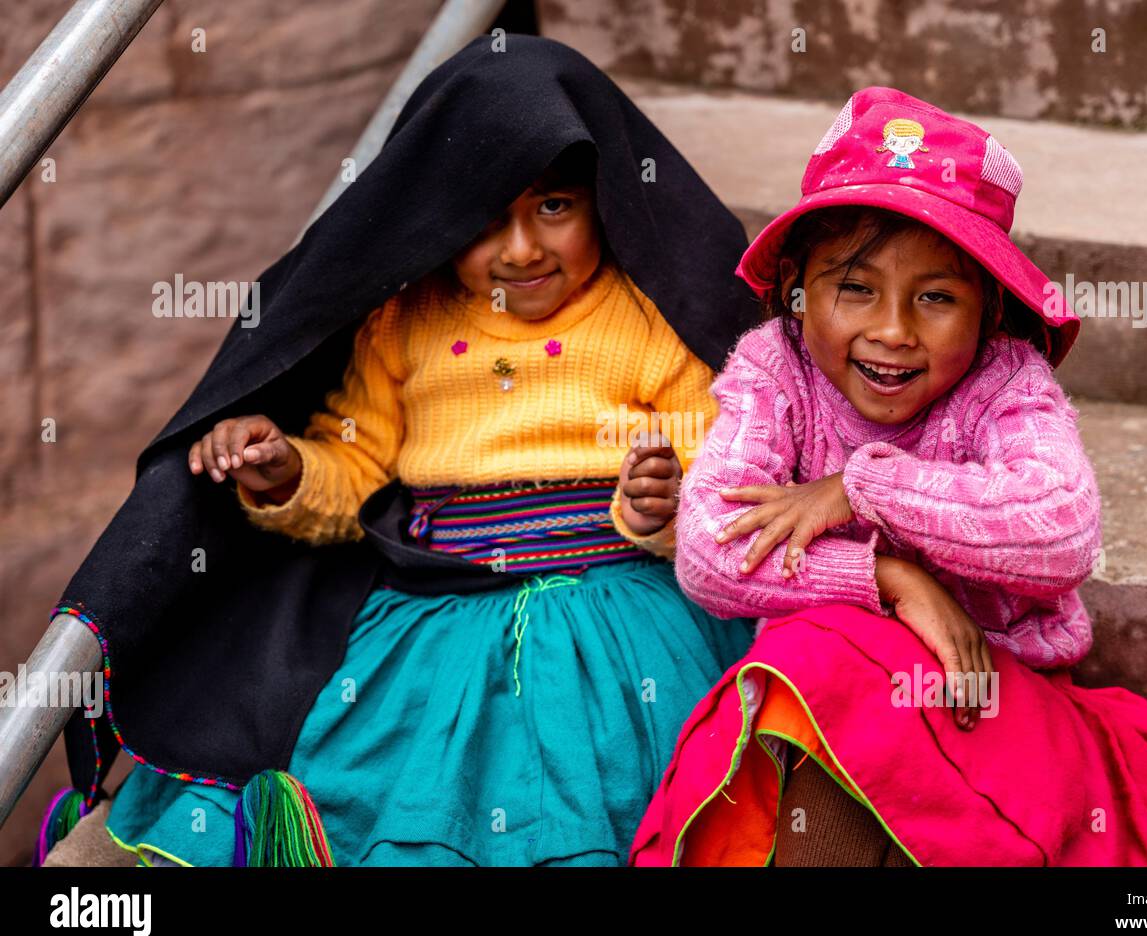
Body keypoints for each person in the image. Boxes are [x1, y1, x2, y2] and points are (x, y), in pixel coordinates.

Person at [33, 36, 757, 867]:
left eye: (553, 206)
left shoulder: (650, 318)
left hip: (615, 611)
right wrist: (288, 469)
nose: (521, 249)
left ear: (602, 197)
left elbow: (724, 471)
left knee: (599, 794)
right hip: (433, 614)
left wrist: (662, 503)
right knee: (390, 787)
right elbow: (359, 466)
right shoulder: (404, 321)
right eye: (487, 219)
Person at [628, 87, 1147, 867]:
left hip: (987, 701)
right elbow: (712, 551)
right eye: (855, 287)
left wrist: (862, 489)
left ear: (989, 312)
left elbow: (1063, 529)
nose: (892, 329)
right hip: (826, 708)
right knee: (819, 653)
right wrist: (891, 579)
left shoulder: (1003, 384)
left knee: (825, 664)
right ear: (797, 294)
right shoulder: (774, 372)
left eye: (937, 297)